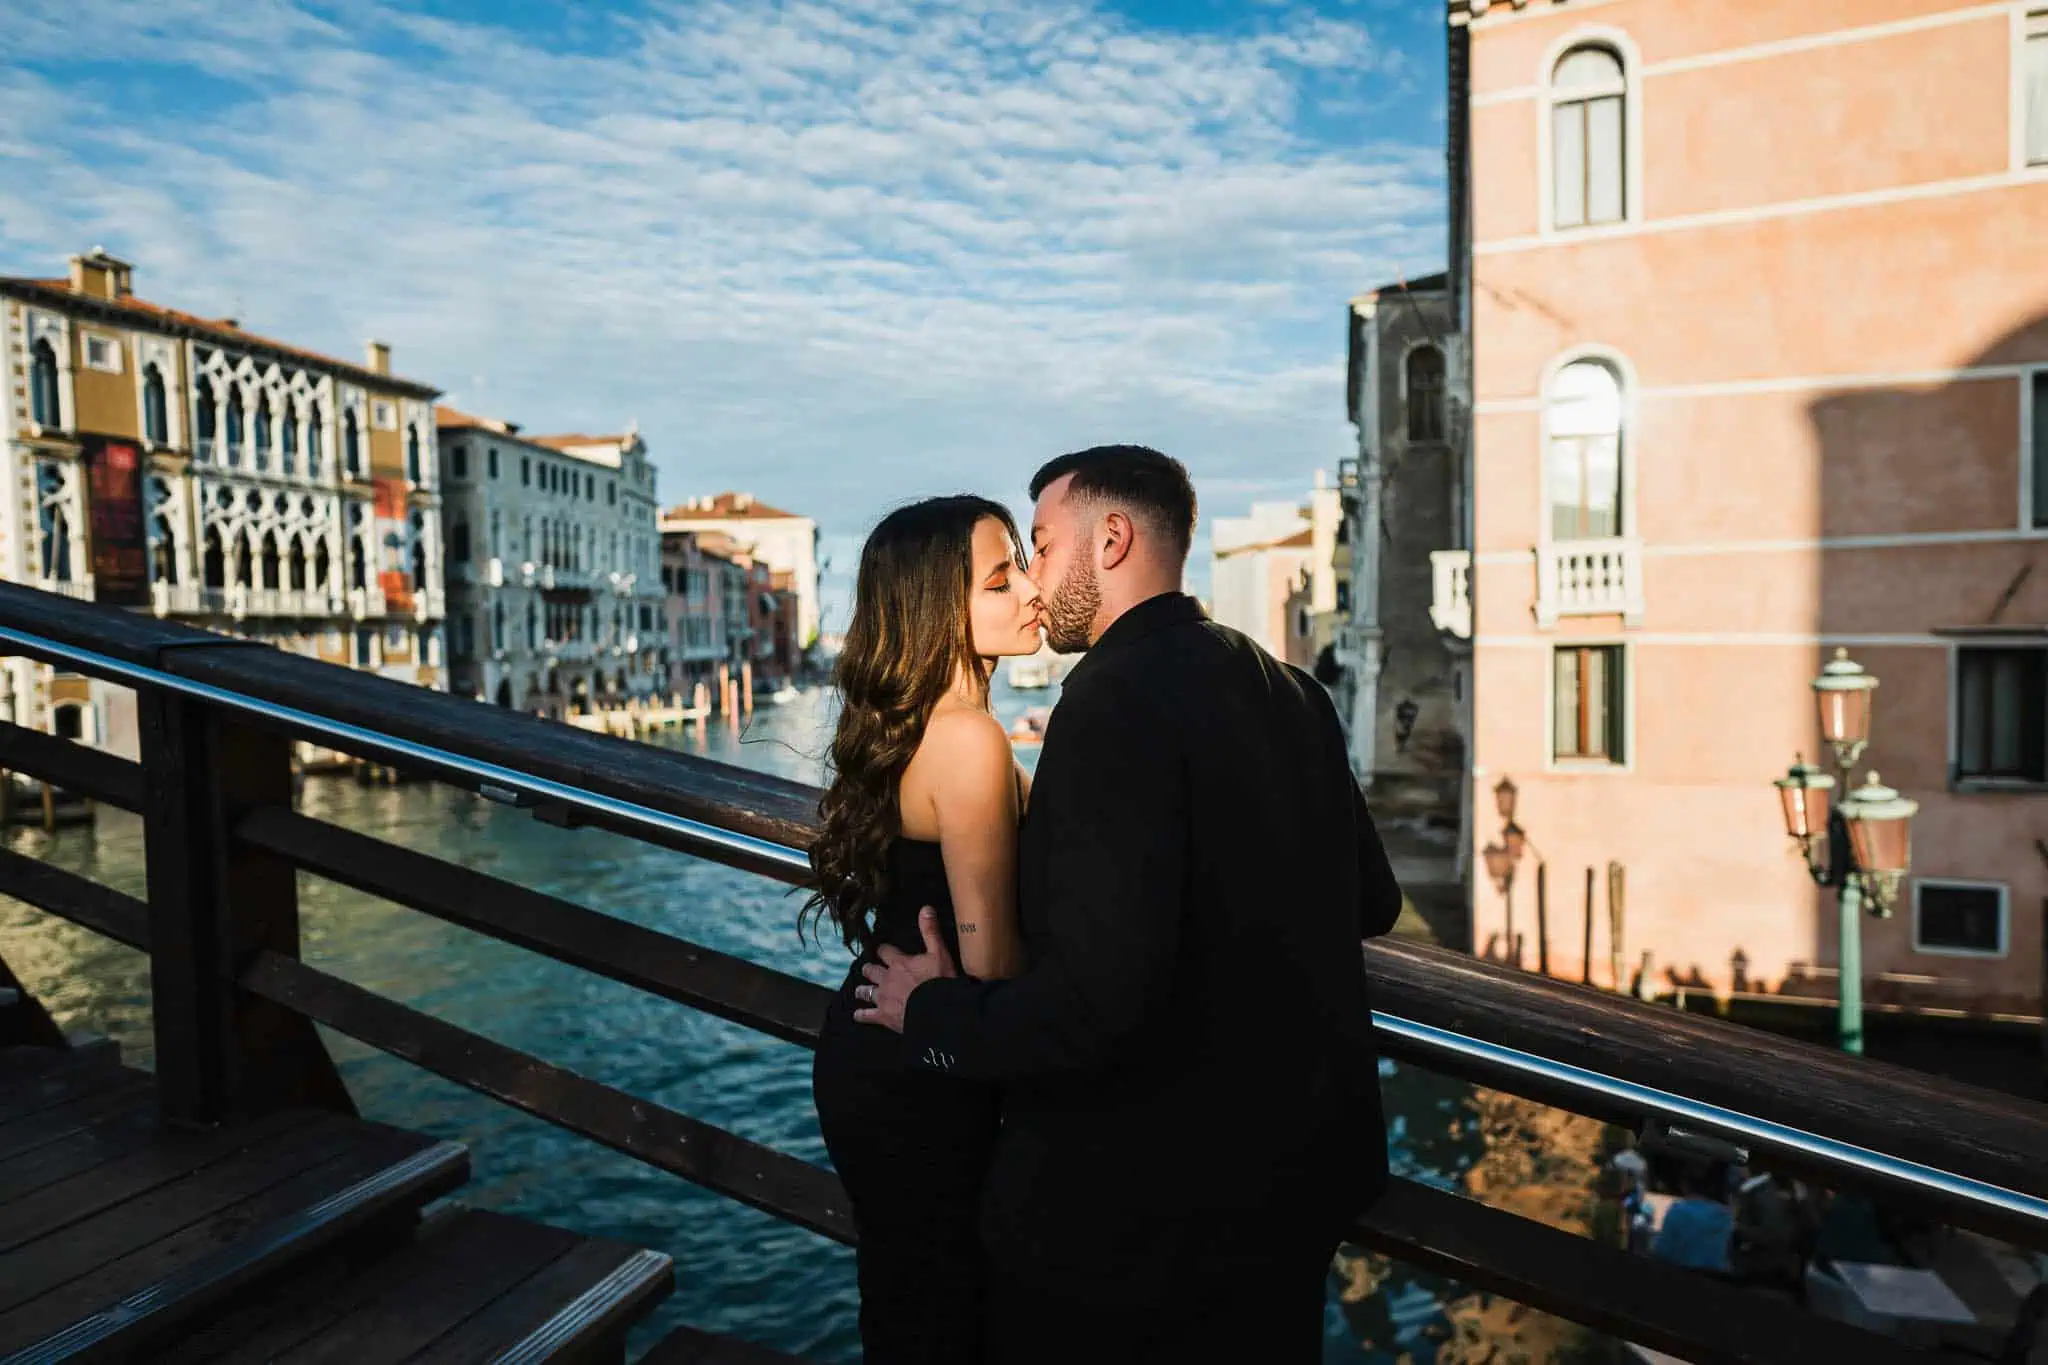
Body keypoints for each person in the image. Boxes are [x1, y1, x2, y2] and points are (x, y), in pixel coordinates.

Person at [854, 445, 1404, 1362]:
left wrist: (934, 1012)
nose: (1032, 576)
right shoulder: (1292, 690)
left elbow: (1097, 1001)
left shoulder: (1109, 702)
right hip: (1298, 1189)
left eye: (1039, 543)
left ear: (1110, 539)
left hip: (1150, 1224)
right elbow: (1374, 901)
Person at [804, 495, 1045, 1364]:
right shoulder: (973, 740)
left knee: (909, 1296)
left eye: (1021, 563)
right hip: (921, 1061)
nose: (1030, 588)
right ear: (939, 609)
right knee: (945, 1309)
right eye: (999, 578)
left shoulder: (918, 728)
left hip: (876, 1047)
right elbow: (992, 960)